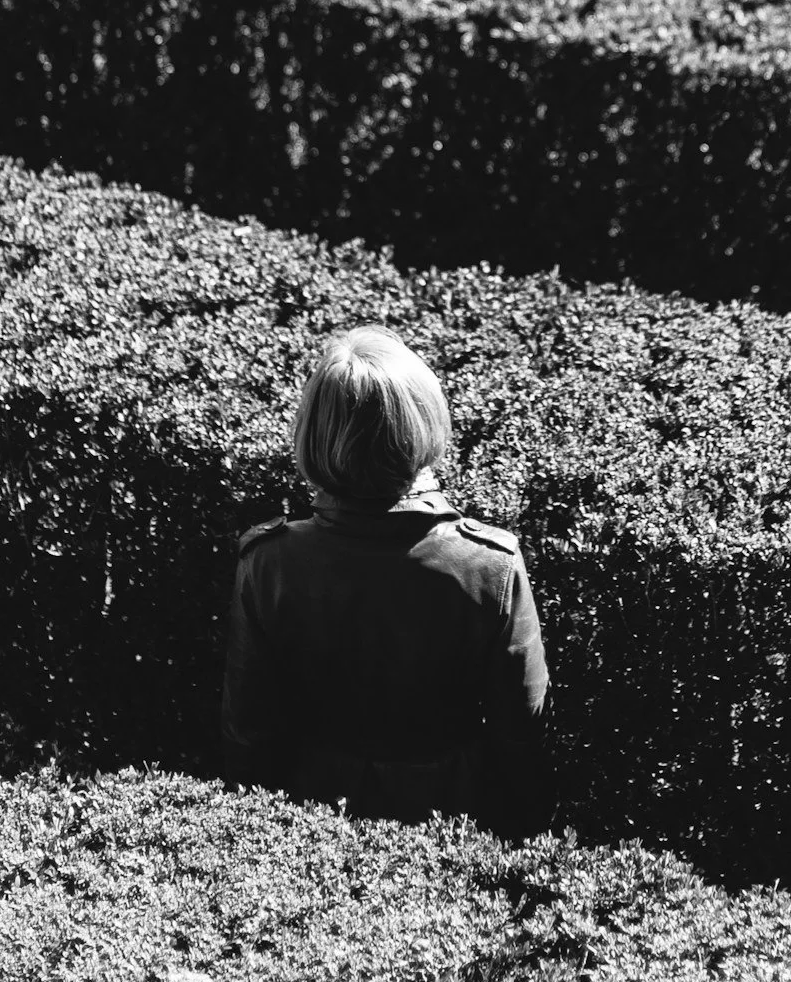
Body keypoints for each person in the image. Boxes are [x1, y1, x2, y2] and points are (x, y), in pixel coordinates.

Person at [222, 325, 551, 834]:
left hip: (310, 823)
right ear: (422, 424)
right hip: (451, 821)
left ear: (314, 432)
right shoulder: (490, 564)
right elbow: (522, 734)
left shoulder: (270, 561)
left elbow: (249, 732)